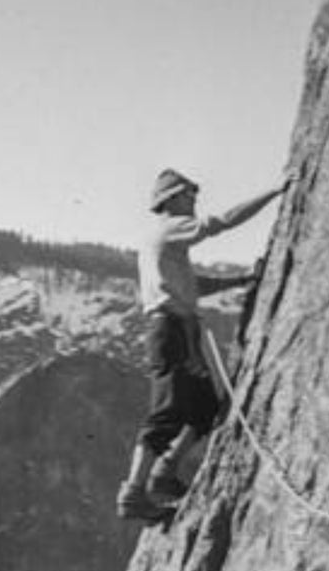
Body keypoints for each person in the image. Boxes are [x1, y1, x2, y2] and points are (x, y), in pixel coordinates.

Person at [117, 167, 287, 521]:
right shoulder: (169, 227)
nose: (194, 200)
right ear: (171, 199)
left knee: (205, 409)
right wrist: (275, 191)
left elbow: (194, 284)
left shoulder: (157, 240)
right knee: (168, 412)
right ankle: (134, 492)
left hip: (176, 330)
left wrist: (241, 280)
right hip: (172, 332)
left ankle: (165, 472)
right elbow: (220, 222)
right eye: (189, 194)